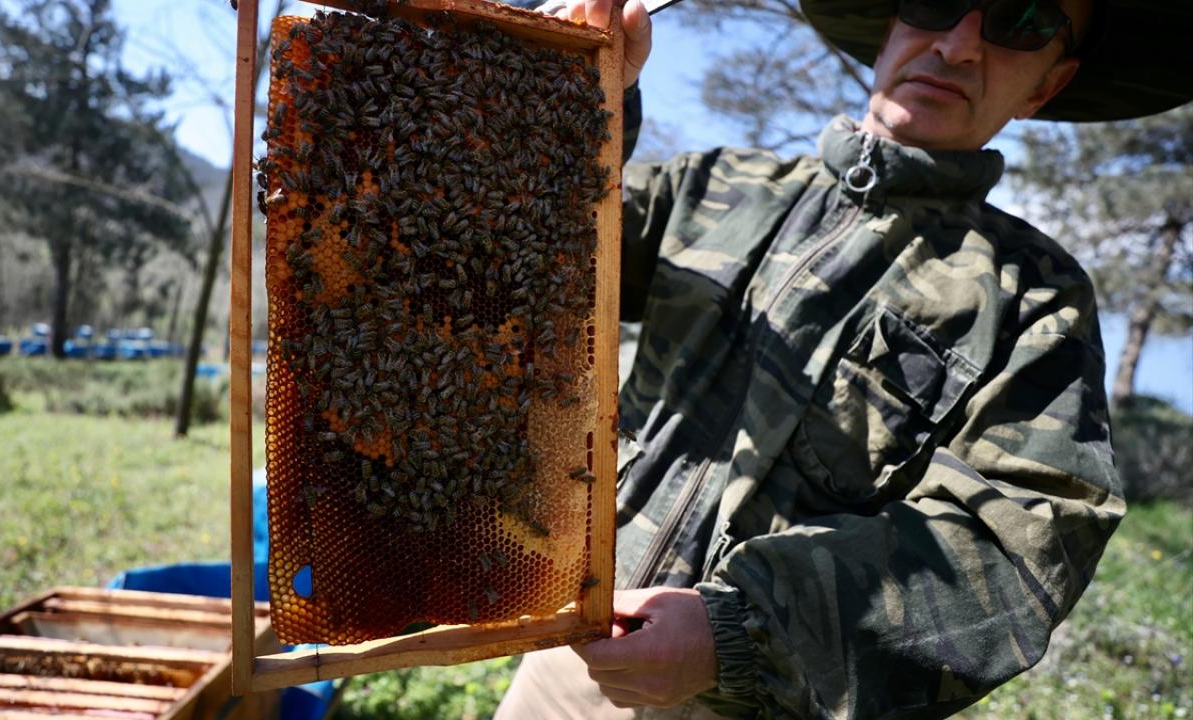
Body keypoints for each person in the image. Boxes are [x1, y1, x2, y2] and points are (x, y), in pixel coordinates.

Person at [495, 0, 1193, 717]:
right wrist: (567, 96)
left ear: (1048, 82)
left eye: (1024, 20)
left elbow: (1023, 537)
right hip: (563, 666)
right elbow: (515, 252)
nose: (957, 45)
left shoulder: (1034, 298)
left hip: (763, 702)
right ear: (891, 24)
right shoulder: (709, 186)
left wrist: (739, 632)